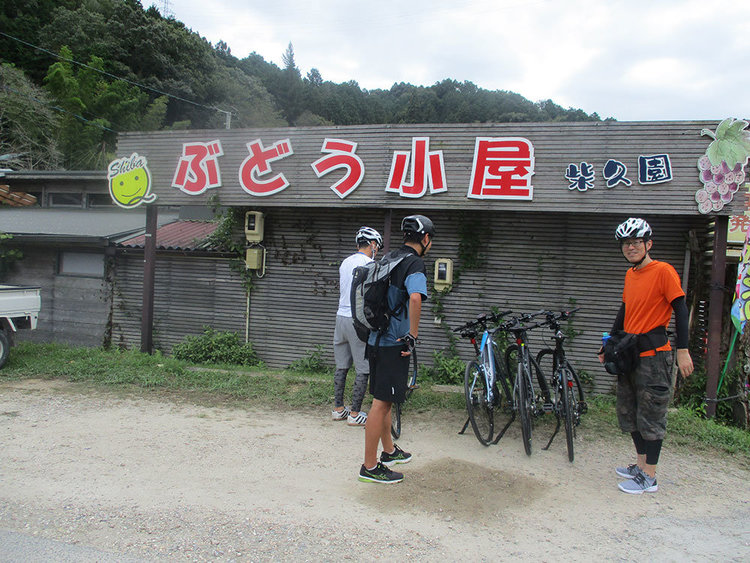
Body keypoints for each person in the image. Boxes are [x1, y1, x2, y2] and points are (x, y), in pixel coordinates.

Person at [600, 218, 694, 494]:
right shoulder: (631, 275)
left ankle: (649, 477)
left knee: (652, 414)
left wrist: (683, 350)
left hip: (655, 356)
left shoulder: (663, 271)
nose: (631, 247)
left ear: (648, 244)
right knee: (629, 412)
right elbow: (624, 312)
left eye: (636, 242)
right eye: (626, 243)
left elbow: (681, 309)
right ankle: (640, 465)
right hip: (630, 353)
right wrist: (607, 344)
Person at [358, 214, 434, 484]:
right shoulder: (414, 263)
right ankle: (369, 467)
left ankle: (388, 451)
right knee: (380, 404)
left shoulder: (390, 257)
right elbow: (415, 297)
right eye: (430, 239)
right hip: (393, 343)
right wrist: (412, 335)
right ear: (425, 239)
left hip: (375, 340)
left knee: (385, 399)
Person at [332, 226, 383, 426]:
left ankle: (338, 409)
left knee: (341, 365)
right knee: (363, 367)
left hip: (340, 317)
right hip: (357, 321)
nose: (376, 249)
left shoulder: (345, 262)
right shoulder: (370, 264)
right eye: (376, 246)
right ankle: (354, 414)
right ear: (372, 245)